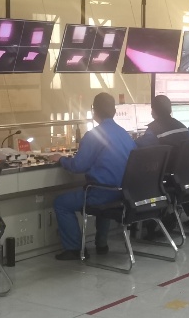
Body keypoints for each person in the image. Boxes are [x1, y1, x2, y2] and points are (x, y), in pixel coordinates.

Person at [49, 93, 135, 260]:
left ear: (94, 111)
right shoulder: (125, 135)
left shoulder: (94, 135)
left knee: (61, 203)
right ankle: (101, 244)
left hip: (102, 193)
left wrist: (61, 159)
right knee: (106, 202)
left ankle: (74, 248)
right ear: (114, 111)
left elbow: (78, 166)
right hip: (123, 193)